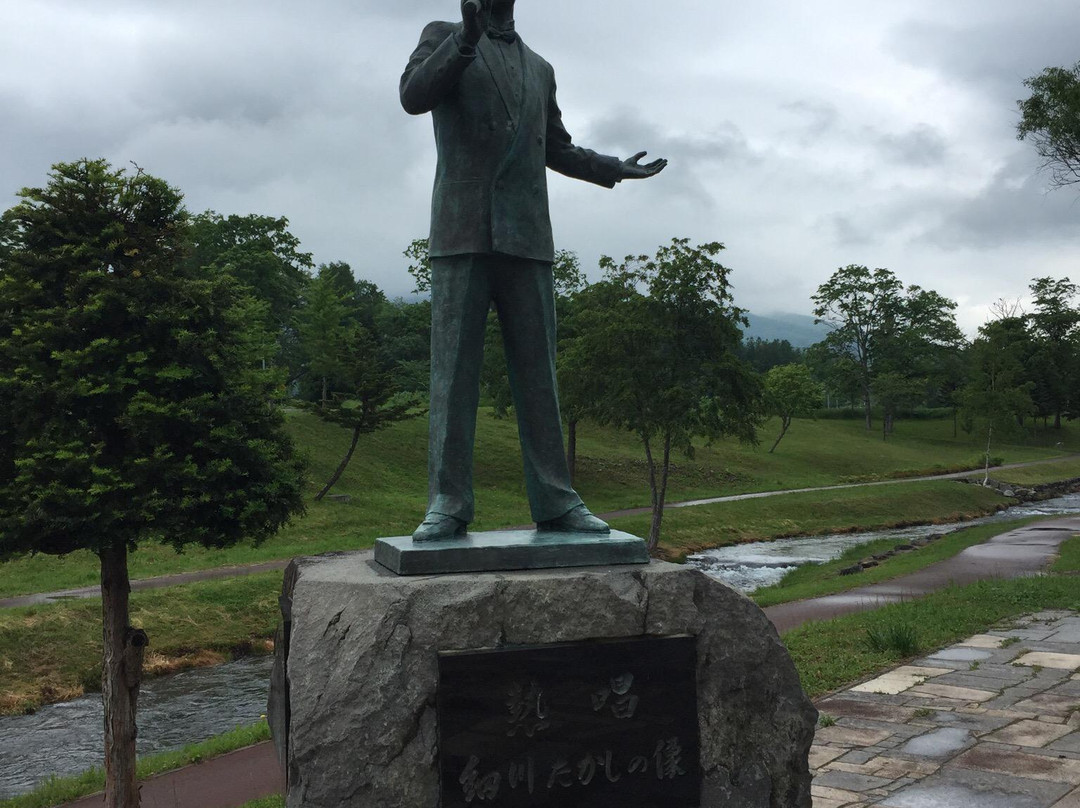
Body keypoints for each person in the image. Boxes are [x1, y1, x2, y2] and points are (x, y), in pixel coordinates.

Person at [401, 0, 666, 542]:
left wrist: (609, 167)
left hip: (528, 237)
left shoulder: (540, 68)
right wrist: (465, 41)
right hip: (463, 231)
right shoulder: (444, 34)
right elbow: (412, 96)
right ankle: (448, 503)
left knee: (539, 379)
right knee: (453, 378)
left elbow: (557, 147)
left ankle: (557, 502)